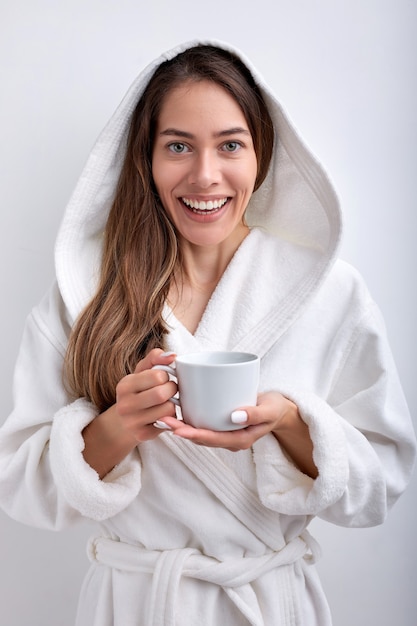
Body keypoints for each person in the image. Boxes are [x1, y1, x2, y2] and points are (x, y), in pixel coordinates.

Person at [0, 40, 415, 626]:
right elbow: (20, 485)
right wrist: (117, 427)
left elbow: (383, 484)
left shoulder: (328, 292)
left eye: (230, 145)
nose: (205, 175)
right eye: (177, 146)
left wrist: (292, 425)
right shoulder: (86, 294)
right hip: (138, 605)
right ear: (145, 157)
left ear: (261, 154)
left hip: (268, 604)